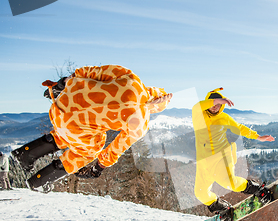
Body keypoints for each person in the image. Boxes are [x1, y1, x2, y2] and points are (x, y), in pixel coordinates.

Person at [12, 65, 172, 192]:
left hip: (61, 106)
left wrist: (61, 85)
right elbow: (115, 149)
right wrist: (98, 167)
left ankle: (25, 154)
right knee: (89, 148)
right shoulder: (140, 119)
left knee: (69, 132)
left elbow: (88, 72)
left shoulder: (130, 77)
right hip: (74, 127)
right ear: (155, 108)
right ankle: (39, 181)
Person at [192, 88, 275, 221]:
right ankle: (222, 207)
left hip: (222, 156)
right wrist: (219, 99)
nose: (215, 106)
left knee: (229, 183)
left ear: (222, 106)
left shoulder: (224, 118)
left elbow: (239, 128)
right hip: (204, 162)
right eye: (213, 103)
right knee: (200, 193)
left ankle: (258, 189)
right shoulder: (198, 114)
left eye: (219, 105)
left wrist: (258, 137)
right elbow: (197, 106)